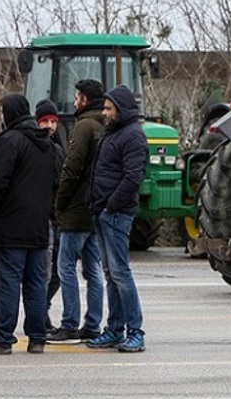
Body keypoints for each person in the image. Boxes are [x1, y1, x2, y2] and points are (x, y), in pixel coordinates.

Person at [0, 94, 57, 355]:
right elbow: (56, 185)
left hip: (9, 227)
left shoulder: (10, 142)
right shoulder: (48, 145)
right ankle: (37, 337)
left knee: (8, 283)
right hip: (39, 226)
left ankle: (3, 338)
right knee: (35, 284)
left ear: (10, 113)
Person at [87, 85, 149, 353]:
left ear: (121, 110)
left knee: (121, 273)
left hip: (116, 214)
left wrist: (111, 206)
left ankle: (135, 331)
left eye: (108, 108)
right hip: (103, 212)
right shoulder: (113, 134)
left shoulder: (132, 136)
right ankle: (114, 329)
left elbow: (133, 176)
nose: (104, 112)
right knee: (111, 274)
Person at [48, 80, 105, 343]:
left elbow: (72, 168)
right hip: (96, 207)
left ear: (84, 100)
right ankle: (92, 323)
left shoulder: (83, 127)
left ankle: (69, 323)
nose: (74, 102)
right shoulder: (104, 126)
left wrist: (60, 201)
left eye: (76, 97)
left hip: (76, 208)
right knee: (92, 267)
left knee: (65, 266)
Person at [35, 98, 64, 332]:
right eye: (45, 121)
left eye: (53, 121)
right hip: (43, 217)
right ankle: (39, 315)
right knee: (46, 270)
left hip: (57, 216)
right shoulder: (38, 149)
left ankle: (41, 308)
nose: (50, 126)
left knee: (59, 271)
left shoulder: (58, 149)